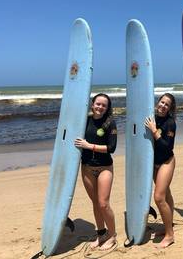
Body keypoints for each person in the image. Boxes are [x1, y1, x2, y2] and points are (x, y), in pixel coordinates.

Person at [74, 93, 117, 250]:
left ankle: (112, 236)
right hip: (87, 167)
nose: (100, 107)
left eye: (104, 105)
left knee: (103, 204)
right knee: (95, 203)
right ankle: (101, 234)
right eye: (98, 104)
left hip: (105, 167)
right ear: (92, 104)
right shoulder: (84, 121)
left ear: (107, 108)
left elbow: (111, 148)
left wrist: (88, 146)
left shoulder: (110, 123)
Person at [145, 93, 177, 248]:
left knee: (159, 197)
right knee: (166, 194)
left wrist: (154, 131)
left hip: (166, 161)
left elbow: (166, 148)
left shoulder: (170, 123)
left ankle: (170, 235)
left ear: (170, 108)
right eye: (162, 102)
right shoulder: (151, 118)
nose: (163, 106)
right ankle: (167, 225)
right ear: (158, 102)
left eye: (167, 105)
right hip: (154, 162)